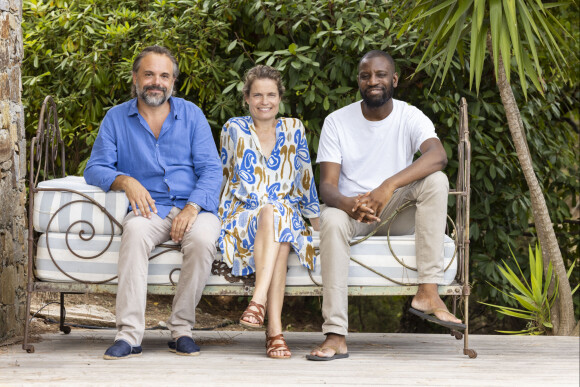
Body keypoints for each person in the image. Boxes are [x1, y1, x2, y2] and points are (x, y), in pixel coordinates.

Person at [307, 50, 465, 361]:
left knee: (436, 180)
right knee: (333, 220)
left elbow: (438, 156)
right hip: (354, 212)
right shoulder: (337, 121)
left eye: (380, 75)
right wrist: (349, 204)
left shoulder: (409, 116)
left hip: (396, 211)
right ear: (358, 82)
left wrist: (387, 186)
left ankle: (428, 293)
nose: (373, 81)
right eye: (366, 76)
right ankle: (336, 335)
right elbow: (327, 187)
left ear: (393, 80)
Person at [84, 45, 222, 360]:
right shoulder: (116, 118)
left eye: (164, 75)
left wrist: (192, 207)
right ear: (135, 78)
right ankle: (129, 336)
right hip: (150, 209)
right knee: (133, 234)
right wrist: (126, 181)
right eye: (149, 74)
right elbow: (95, 168)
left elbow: (212, 170)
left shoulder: (192, 115)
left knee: (202, 239)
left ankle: (182, 330)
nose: (155, 82)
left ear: (173, 82)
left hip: (194, 206)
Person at [218, 65, 320, 359]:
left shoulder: (294, 128)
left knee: (278, 214)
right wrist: (213, 217)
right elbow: (224, 175)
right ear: (247, 98)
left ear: (280, 98)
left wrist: (315, 221)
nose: (265, 101)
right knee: (277, 221)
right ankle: (274, 330)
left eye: (271, 95)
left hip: (283, 212)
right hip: (244, 214)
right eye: (258, 95)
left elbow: (304, 178)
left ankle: (258, 303)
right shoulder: (233, 128)